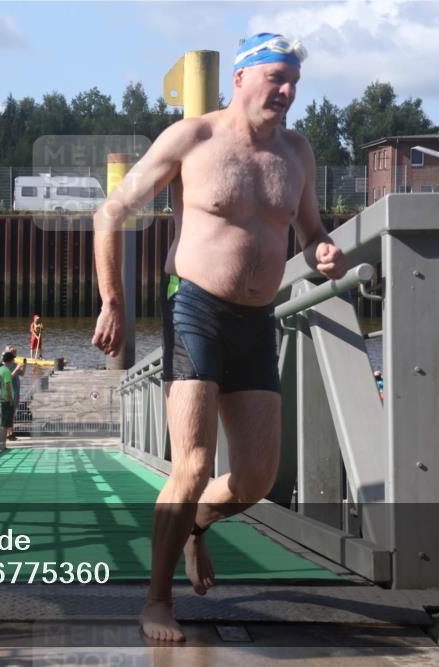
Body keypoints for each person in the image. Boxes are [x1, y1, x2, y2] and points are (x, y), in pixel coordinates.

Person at [91, 33, 346, 642]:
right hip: (195, 310)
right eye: (276, 79)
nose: (286, 93)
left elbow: (310, 233)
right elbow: (111, 213)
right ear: (240, 78)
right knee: (195, 463)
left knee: (257, 478)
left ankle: (197, 528)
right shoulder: (195, 139)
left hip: (258, 321)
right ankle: (157, 602)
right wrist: (113, 302)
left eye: (294, 84)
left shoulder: (298, 154)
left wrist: (324, 249)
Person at [4, 345, 27, 432]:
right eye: (13, 354)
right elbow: (8, 378)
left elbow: (22, 374)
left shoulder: (14, 364)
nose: (15, 356)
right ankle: (9, 432)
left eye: (15, 354)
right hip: (10, 389)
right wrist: (17, 368)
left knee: (14, 411)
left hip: (16, 389)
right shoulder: (6, 365)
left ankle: (11, 431)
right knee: (10, 411)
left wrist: (24, 365)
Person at [0, 351, 17, 441]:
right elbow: (7, 385)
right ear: (11, 361)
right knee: (6, 422)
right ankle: (3, 443)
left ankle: (0, 441)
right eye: (13, 360)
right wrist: (10, 399)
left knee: (1, 422)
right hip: (6, 399)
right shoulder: (7, 371)